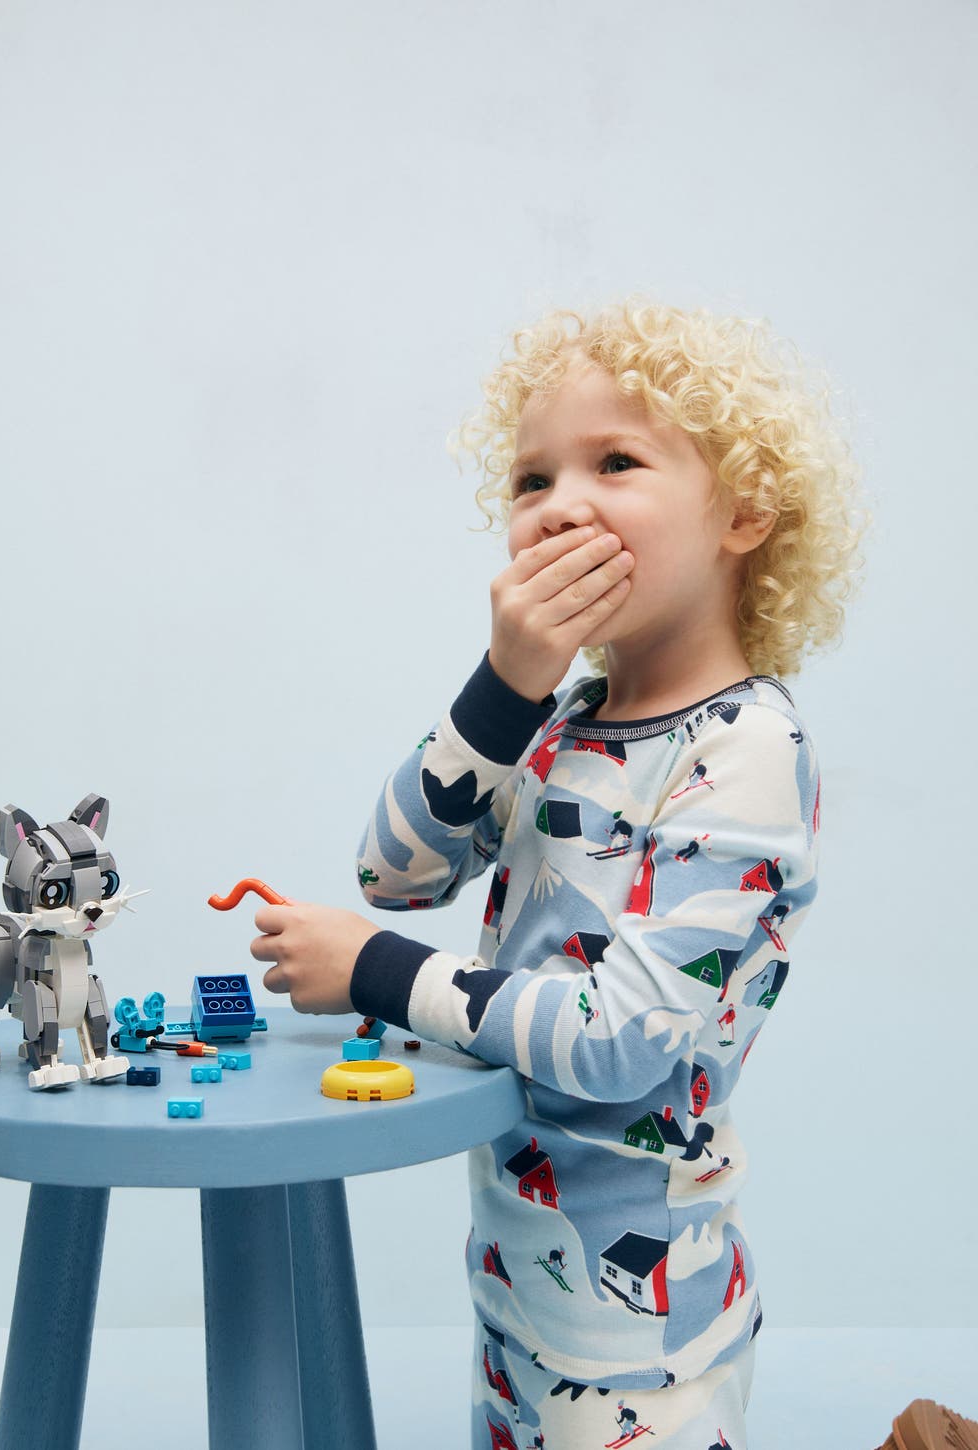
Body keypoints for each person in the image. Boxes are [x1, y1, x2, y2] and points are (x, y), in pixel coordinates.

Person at [251, 295, 866, 1449]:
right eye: (531, 482)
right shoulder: (556, 721)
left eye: (614, 462)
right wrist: (504, 684)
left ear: (743, 511)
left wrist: (376, 973)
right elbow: (391, 870)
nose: (557, 506)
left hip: (645, 1340)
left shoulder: (745, 752)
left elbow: (616, 1042)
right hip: (514, 1290)